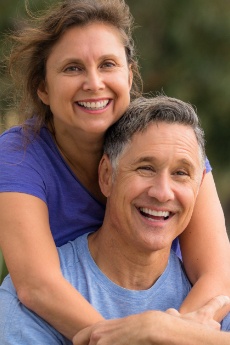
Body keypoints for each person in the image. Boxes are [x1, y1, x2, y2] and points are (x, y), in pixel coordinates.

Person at [0, 0, 229, 342]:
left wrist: (166, 329)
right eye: (73, 68)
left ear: (129, 74)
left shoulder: (165, 140)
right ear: (43, 88)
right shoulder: (19, 155)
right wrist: (139, 336)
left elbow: (218, 273)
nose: (94, 83)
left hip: (165, 298)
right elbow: (37, 286)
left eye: (107, 64)